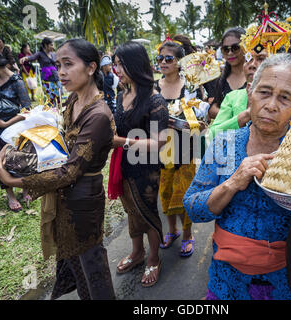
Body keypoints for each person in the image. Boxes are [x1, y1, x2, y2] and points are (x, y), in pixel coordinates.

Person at [183, 53, 291, 300]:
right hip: (227, 282)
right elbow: (192, 209)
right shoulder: (224, 144)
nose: (272, 105)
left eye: (285, 98)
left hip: (289, 284)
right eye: (264, 92)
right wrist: (232, 183)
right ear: (250, 91)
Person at [0, 38, 116, 300]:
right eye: (58, 65)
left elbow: (69, 171)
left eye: (68, 64)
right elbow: (57, 142)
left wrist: (13, 182)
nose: (60, 72)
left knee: (93, 267)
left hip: (83, 202)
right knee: (76, 264)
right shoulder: (73, 101)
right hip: (64, 196)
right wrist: (16, 146)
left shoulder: (99, 115)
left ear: (91, 68)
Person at [111, 41, 169, 287]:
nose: (116, 70)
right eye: (114, 64)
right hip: (122, 164)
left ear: (135, 65)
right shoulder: (121, 94)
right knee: (131, 212)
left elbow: (160, 144)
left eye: (120, 64)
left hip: (145, 167)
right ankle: (137, 253)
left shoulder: (155, 100)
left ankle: (154, 257)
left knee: (146, 212)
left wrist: (119, 142)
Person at [154, 41, 203, 257]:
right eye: (160, 58)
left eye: (169, 59)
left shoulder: (190, 87)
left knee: (185, 192)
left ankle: (187, 234)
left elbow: (200, 115)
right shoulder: (153, 88)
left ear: (179, 62)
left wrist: (199, 123)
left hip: (186, 146)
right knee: (165, 191)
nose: (163, 62)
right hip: (162, 147)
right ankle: (172, 230)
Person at [0, 48, 31, 212]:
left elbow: (27, 110)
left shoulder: (17, 82)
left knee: (20, 160)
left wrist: (6, 123)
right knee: (0, 161)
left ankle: (25, 189)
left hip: (13, 131)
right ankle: (10, 194)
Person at [207, 27, 247, 121]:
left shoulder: (256, 76)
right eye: (225, 49)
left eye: (235, 48)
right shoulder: (221, 79)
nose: (230, 53)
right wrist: (235, 116)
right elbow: (212, 109)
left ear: (245, 47)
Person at [20, 37, 62, 106]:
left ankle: (58, 112)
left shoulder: (53, 54)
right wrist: (25, 58)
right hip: (47, 79)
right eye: (51, 45)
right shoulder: (40, 54)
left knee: (59, 96)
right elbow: (32, 57)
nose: (53, 47)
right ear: (45, 45)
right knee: (51, 98)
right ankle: (50, 112)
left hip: (56, 77)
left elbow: (58, 63)